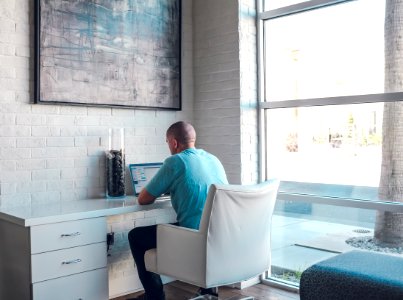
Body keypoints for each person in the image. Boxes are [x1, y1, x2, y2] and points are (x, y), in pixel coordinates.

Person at [128, 121, 228, 300]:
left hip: (193, 239)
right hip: (221, 235)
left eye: (167, 142)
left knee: (136, 236)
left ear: (174, 143)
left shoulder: (176, 161)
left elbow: (143, 199)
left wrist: (164, 187)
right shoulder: (213, 159)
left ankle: (154, 296)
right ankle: (208, 291)